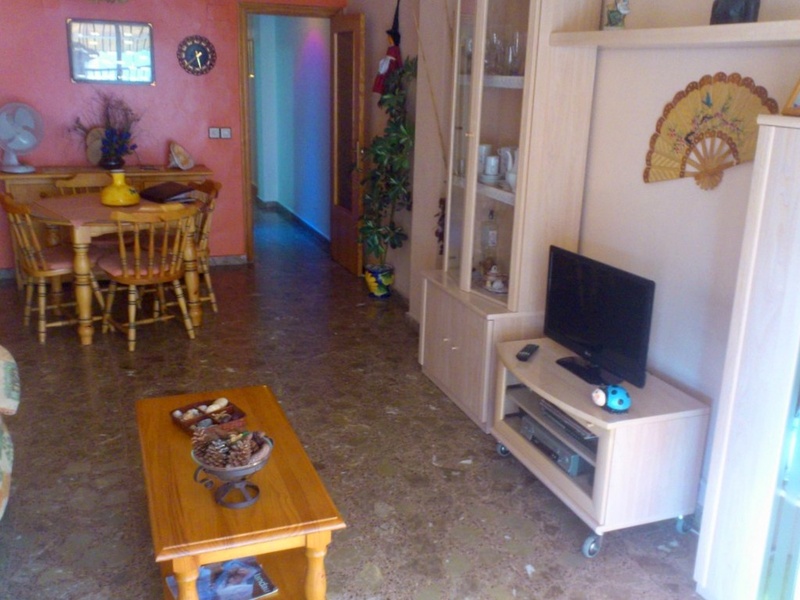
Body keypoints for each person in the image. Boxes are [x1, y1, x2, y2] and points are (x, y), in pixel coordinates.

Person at [372, 0, 403, 95]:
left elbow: (398, 60)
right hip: (387, 65)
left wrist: (400, 69)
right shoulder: (390, 48)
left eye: (390, 37)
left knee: (388, 80)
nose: (388, 39)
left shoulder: (395, 49)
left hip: (391, 68)